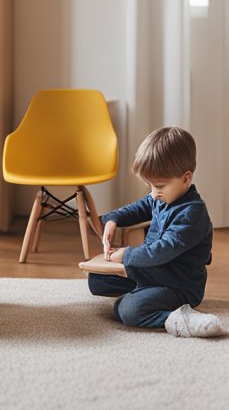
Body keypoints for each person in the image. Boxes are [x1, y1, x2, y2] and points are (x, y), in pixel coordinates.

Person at [90, 126, 220, 337]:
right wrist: (113, 220)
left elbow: (162, 251)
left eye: (158, 185)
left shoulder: (192, 213)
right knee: (97, 280)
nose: (153, 193)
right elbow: (139, 207)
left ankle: (181, 318)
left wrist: (127, 255)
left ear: (185, 178)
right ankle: (144, 292)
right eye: (149, 185)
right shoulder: (162, 196)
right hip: (153, 271)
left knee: (127, 310)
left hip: (178, 283)